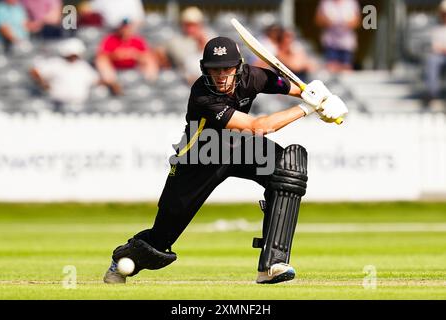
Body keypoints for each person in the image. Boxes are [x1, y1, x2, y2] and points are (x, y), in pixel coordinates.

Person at [103, 37, 348, 285]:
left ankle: (272, 264)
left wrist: (319, 96)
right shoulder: (202, 95)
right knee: (160, 243)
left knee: (287, 166)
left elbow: (297, 89)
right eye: (214, 69)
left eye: (226, 69)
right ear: (205, 69)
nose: (221, 76)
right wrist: (307, 108)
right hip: (200, 158)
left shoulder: (253, 76)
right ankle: (121, 261)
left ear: (238, 68)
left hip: (239, 146)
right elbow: (258, 126)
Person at [30, 38, 100, 112]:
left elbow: (95, 80)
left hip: (79, 106)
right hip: (57, 105)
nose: (74, 57)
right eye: (72, 54)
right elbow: (35, 71)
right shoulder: (56, 63)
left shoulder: (83, 66)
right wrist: (43, 83)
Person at [95, 18, 159, 95]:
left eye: (127, 27)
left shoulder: (137, 40)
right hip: (115, 67)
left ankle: (150, 83)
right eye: (124, 27)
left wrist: (135, 55)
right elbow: (102, 55)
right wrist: (115, 55)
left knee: (149, 59)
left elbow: (146, 54)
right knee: (102, 60)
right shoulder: (110, 39)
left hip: (135, 66)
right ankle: (113, 83)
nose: (125, 30)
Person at [157, 6, 215, 85]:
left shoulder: (209, 36)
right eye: (187, 25)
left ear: (200, 24)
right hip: (182, 80)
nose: (190, 28)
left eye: (193, 25)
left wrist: (203, 43)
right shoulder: (175, 40)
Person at [315, 0, 361, 72]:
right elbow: (318, 20)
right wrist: (328, 22)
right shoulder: (325, 2)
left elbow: (357, 21)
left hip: (346, 44)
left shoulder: (351, 3)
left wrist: (346, 24)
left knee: (346, 70)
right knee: (331, 70)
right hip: (330, 43)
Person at [424, 0, 446, 106]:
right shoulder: (436, 28)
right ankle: (432, 95)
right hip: (440, 57)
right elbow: (434, 46)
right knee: (432, 61)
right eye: (443, 13)